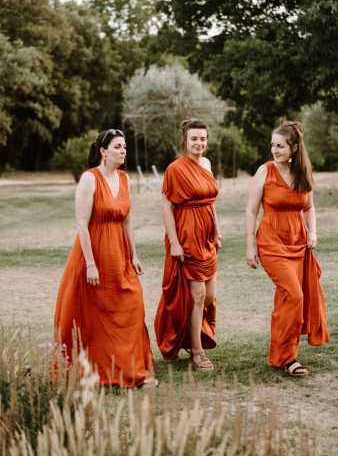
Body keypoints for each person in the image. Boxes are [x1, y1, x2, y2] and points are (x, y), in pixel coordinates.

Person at [54, 128, 156, 388]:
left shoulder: (124, 178)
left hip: (120, 253)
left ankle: (130, 368)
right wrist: (90, 264)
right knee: (95, 313)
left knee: (131, 304)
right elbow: (82, 224)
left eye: (124, 147)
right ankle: (96, 371)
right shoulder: (90, 179)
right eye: (117, 147)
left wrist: (134, 255)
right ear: (103, 151)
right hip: (94, 253)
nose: (123, 151)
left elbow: (128, 221)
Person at [245, 120, 330, 376]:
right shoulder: (265, 171)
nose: (274, 149)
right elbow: (251, 210)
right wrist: (250, 245)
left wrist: (313, 231)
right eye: (272, 145)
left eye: (280, 146)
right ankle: (289, 357)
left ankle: (283, 356)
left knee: (287, 299)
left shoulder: (303, 173)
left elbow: (309, 207)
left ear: (294, 148)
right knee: (294, 295)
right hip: (271, 241)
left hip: (298, 243)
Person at [154, 118, 221, 371]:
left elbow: (210, 201)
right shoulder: (175, 169)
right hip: (186, 234)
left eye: (203, 138)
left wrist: (218, 229)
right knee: (199, 295)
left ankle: (186, 331)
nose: (199, 143)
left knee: (209, 296)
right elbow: (166, 206)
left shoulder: (207, 163)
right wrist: (174, 242)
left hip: (207, 235)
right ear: (185, 140)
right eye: (194, 138)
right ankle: (196, 351)